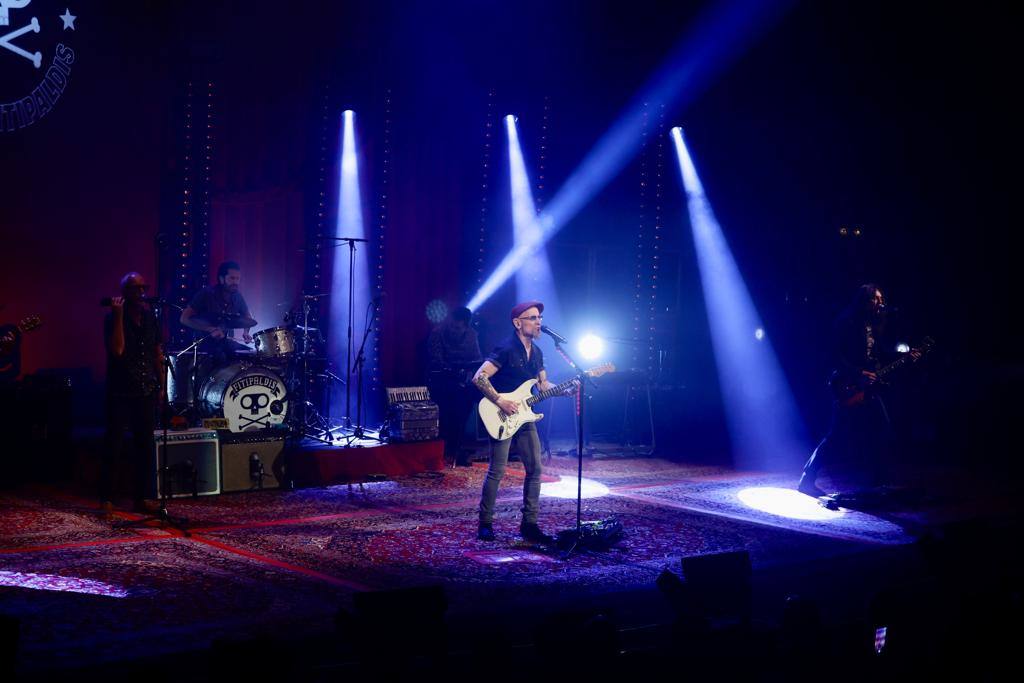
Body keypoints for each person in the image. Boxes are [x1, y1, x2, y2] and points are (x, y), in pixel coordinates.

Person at [797, 284, 918, 496]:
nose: (880, 303)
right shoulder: (846, 322)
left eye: (881, 299)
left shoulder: (874, 326)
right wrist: (858, 373)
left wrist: (905, 356)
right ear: (864, 300)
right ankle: (807, 479)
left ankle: (878, 483)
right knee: (836, 435)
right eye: (876, 299)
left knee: (882, 430)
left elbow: (880, 356)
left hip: (869, 388)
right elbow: (833, 355)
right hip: (847, 385)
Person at [472, 301, 576, 543]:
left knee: (535, 469)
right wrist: (500, 401)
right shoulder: (506, 348)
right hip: (502, 414)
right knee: (497, 471)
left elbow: (543, 385)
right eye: (533, 318)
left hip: (525, 417)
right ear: (518, 323)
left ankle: (529, 524)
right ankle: (485, 523)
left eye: (540, 317)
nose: (539, 322)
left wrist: (566, 390)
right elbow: (479, 377)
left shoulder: (537, 353)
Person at [101, 272, 163, 513]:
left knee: (144, 445)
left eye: (143, 288)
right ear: (125, 292)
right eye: (135, 288)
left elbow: (157, 352)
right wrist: (118, 316)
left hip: (146, 388)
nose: (141, 292)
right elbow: (117, 350)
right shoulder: (112, 318)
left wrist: (162, 385)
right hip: (120, 389)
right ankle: (107, 497)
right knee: (114, 444)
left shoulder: (150, 318)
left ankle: (142, 497)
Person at [427, 306, 482, 466]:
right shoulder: (437, 333)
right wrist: (454, 373)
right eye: (452, 326)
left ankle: (456, 449)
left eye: (457, 328)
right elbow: (436, 360)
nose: (453, 330)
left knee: (464, 411)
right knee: (445, 415)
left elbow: (477, 359)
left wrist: (468, 375)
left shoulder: (472, 335)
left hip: (463, 381)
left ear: (465, 326)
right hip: (442, 380)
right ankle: (442, 451)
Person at [179, 260, 257, 361]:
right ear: (221, 279)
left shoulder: (237, 297)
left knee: (252, 355)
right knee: (221, 357)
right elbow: (184, 318)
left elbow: (247, 318)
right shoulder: (206, 294)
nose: (235, 282)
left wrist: (246, 332)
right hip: (203, 344)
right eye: (232, 278)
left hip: (225, 343)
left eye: (238, 278)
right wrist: (210, 329)